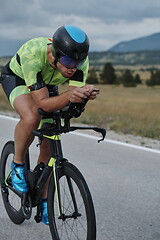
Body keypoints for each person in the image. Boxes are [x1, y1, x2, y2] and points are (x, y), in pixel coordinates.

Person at [0, 25, 99, 225]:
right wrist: (69, 96)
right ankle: (17, 165)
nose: (73, 67)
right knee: (31, 117)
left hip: (46, 82)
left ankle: (44, 200)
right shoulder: (34, 54)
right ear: (55, 54)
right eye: (68, 61)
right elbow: (42, 104)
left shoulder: (80, 64)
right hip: (17, 78)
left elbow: (71, 103)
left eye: (78, 62)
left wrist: (82, 97)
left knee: (50, 136)